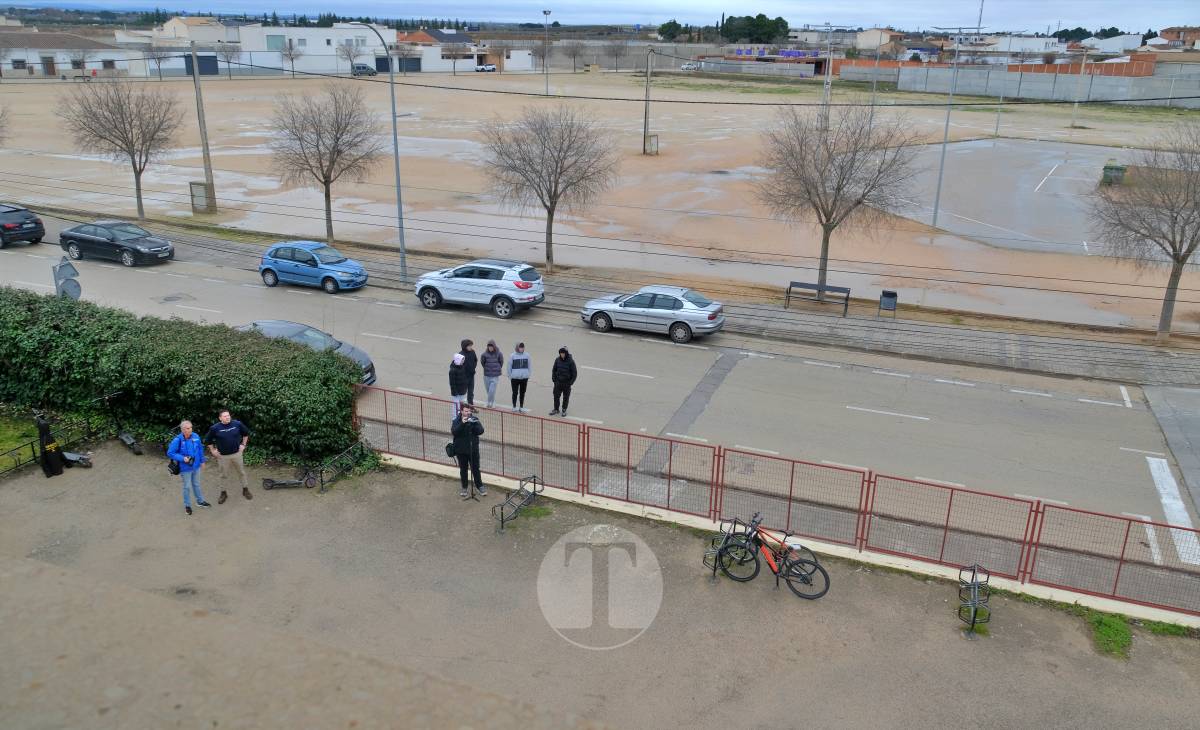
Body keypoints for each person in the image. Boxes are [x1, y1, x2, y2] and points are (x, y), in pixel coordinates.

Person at [204, 409, 252, 504]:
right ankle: (223, 493)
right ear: (220, 418)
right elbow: (208, 440)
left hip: (237, 454)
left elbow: (246, 433)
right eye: (225, 416)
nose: (227, 417)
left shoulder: (237, 424)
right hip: (223, 456)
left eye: (228, 415)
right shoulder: (215, 428)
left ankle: (245, 489)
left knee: (241, 472)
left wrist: (243, 445)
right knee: (223, 475)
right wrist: (213, 450)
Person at [167, 420, 209, 516]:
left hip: (196, 466)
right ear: (182, 430)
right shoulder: (177, 440)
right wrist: (182, 458)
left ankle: (200, 501)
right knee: (187, 487)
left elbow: (200, 449)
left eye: (191, 428)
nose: (190, 430)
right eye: (187, 428)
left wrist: (202, 461)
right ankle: (187, 505)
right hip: (185, 468)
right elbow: (170, 453)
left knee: (197, 484)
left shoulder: (196, 436)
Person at [450, 404, 486, 497]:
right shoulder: (456, 421)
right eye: (466, 411)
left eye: (469, 411)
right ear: (461, 411)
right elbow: (454, 432)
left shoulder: (474, 419)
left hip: (473, 450)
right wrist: (462, 423)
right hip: (461, 451)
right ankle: (464, 487)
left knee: (476, 469)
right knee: (463, 470)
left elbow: (481, 431)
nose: (468, 413)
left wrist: (474, 424)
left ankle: (479, 486)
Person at [549, 346, 578, 417]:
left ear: (566, 353)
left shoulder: (571, 361)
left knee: (566, 397)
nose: (562, 354)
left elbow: (574, 373)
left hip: (566, 383)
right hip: (558, 382)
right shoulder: (557, 360)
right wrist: (554, 379)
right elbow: (554, 370)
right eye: (561, 353)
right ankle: (556, 409)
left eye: (563, 353)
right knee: (556, 396)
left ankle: (564, 409)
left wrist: (570, 383)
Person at [480, 339, 504, 408]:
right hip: (486, 376)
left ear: (494, 346)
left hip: (495, 376)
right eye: (489, 347)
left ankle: (487, 402)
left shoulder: (499, 354)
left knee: (491, 390)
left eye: (491, 346)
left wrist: (497, 368)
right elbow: (482, 363)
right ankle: (493, 402)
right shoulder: (484, 354)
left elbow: (501, 362)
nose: (490, 348)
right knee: (488, 391)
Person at [507, 342, 531, 412]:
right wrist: (510, 376)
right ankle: (514, 406)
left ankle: (521, 406)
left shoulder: (527, 355)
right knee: (515, 392)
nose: (522, 348)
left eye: (523, 347)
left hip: (524, 378)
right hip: (514, 378)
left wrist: (528, 375)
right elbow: (509, 366)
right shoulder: (512, 356)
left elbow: (529, 366)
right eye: (520, 347)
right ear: (517, 347)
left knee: (522, 393)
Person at [459, 339, 478, 406]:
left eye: (471, 346)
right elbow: (458, 366)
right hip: (464, 377)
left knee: (471, 392)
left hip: (471, 375)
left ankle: (470, 405)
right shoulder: (461, 354)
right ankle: (462, 406)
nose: (471, 347)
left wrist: (473, 367)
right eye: (469, 346)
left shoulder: (472, 352)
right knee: (463, 392)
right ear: (465, 346)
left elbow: (475, 360)